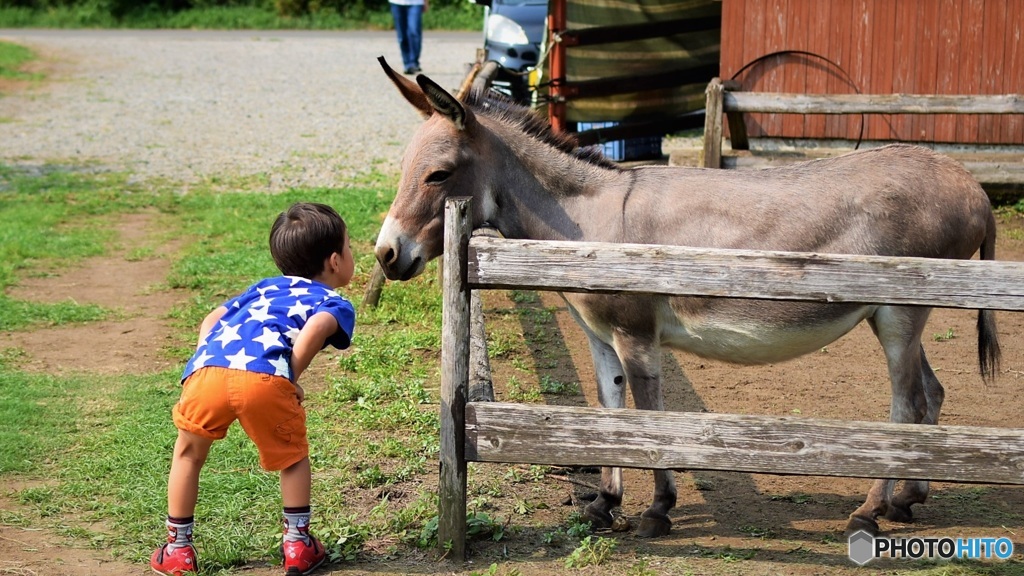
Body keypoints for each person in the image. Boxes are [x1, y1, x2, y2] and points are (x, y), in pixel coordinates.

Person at [150, 202, 357, 576]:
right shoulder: (333, 301)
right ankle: (297, 545)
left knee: (188, 455)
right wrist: (289, 377)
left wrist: (204, 360)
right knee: (292, 457)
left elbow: (212, 318)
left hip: (207, 372)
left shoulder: (262, 289)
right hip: (264, 379)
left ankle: (177, 550)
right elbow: (316, 328)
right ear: (334, 262)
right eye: (349, 246)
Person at [389, 0, 427, 74]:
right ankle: (407, 64)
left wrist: (426, 2)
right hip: (397, 3)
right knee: (402, 36)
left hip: (416, 3)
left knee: (414, 31)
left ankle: (413, 62)